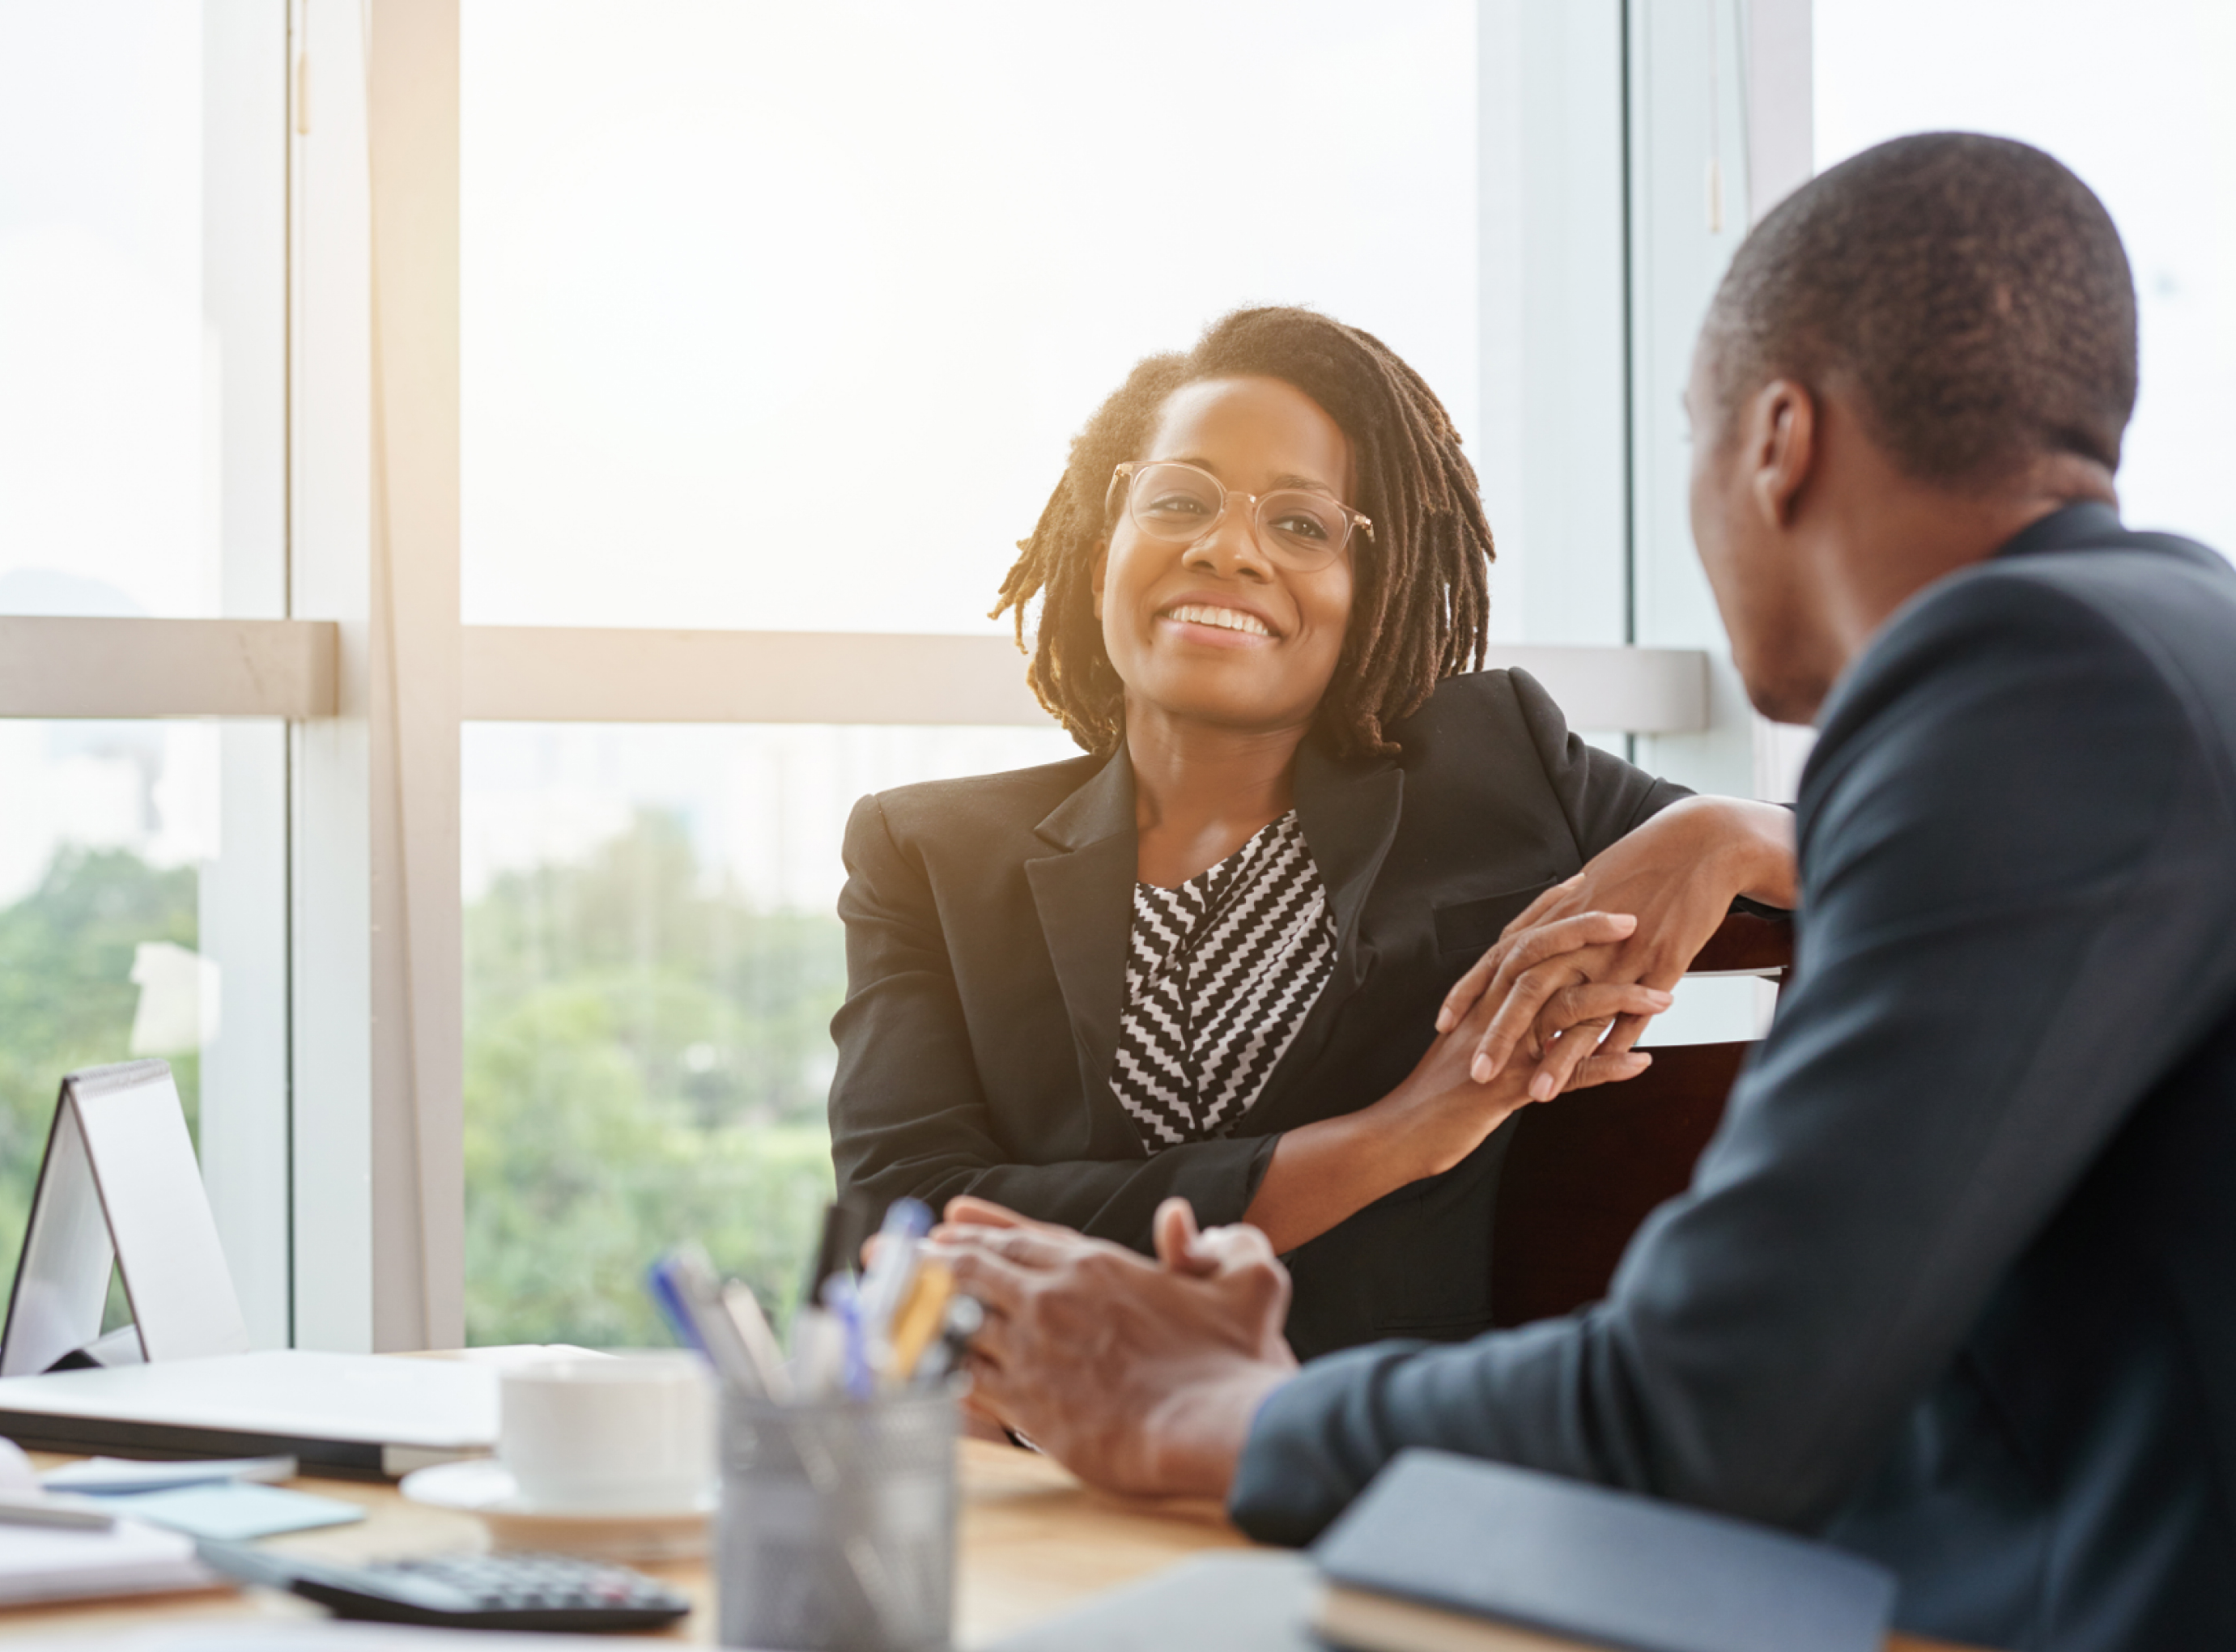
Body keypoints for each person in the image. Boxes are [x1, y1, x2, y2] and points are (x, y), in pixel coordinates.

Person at [933, 133, 2236, 1652]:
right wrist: (1746, 836)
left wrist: (1219, 1409)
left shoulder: (2021, 677)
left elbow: (1705, 1408)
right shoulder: (2170, 638)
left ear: (1774, 440)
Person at [827, 307, 1796, 1360]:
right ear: (1105, 536)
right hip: (1048, 1466)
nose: (1224, 548)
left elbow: (1918, 860)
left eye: (1299, 524)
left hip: (1373, 1466)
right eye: (1177, 499)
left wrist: (1721, 831)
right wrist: (1393, 1140)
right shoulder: (924, 856)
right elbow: (905, 1224)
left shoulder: (1494, 767)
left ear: (1370, 586)